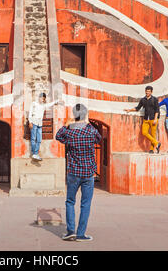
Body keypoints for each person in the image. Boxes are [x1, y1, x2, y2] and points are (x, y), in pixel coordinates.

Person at [56, 104, 102, 242]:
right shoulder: (91, 131)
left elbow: (58, 136)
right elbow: (99, 138)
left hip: (74, 172)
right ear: (85, 115)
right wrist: (87, 123)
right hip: (88, 173)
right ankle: (81, 234)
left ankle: (71, 231)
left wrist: (67, 124)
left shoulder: (69, 133)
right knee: (85, 204)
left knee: (70, 201)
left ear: (74, 115)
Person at [124, 86, 161, 153]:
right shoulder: (143, 100)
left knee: (153, 134)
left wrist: (155, 119)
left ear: (151, 92)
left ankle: (151, 149)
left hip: (153, 119)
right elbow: (138, 108)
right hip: (146, 119)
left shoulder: (155, 99)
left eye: (149, 91)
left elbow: (157, 110)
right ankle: (157, 143)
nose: (147, 92)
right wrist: (129, 110)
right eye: (146, 91)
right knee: (144, 132)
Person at [28, 92, 58, 161]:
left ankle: (35, 154)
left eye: (43, 99)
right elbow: (30, 113)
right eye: (41, 98)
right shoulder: (34, 103)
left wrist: (57, 101)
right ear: (39, 98)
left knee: (39, 139)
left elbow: (50, 104)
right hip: (34, 122)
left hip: (40, 124)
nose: (42, 99)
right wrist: (30, 122)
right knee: (33, 139)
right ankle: (34, 153)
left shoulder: (43, 105)